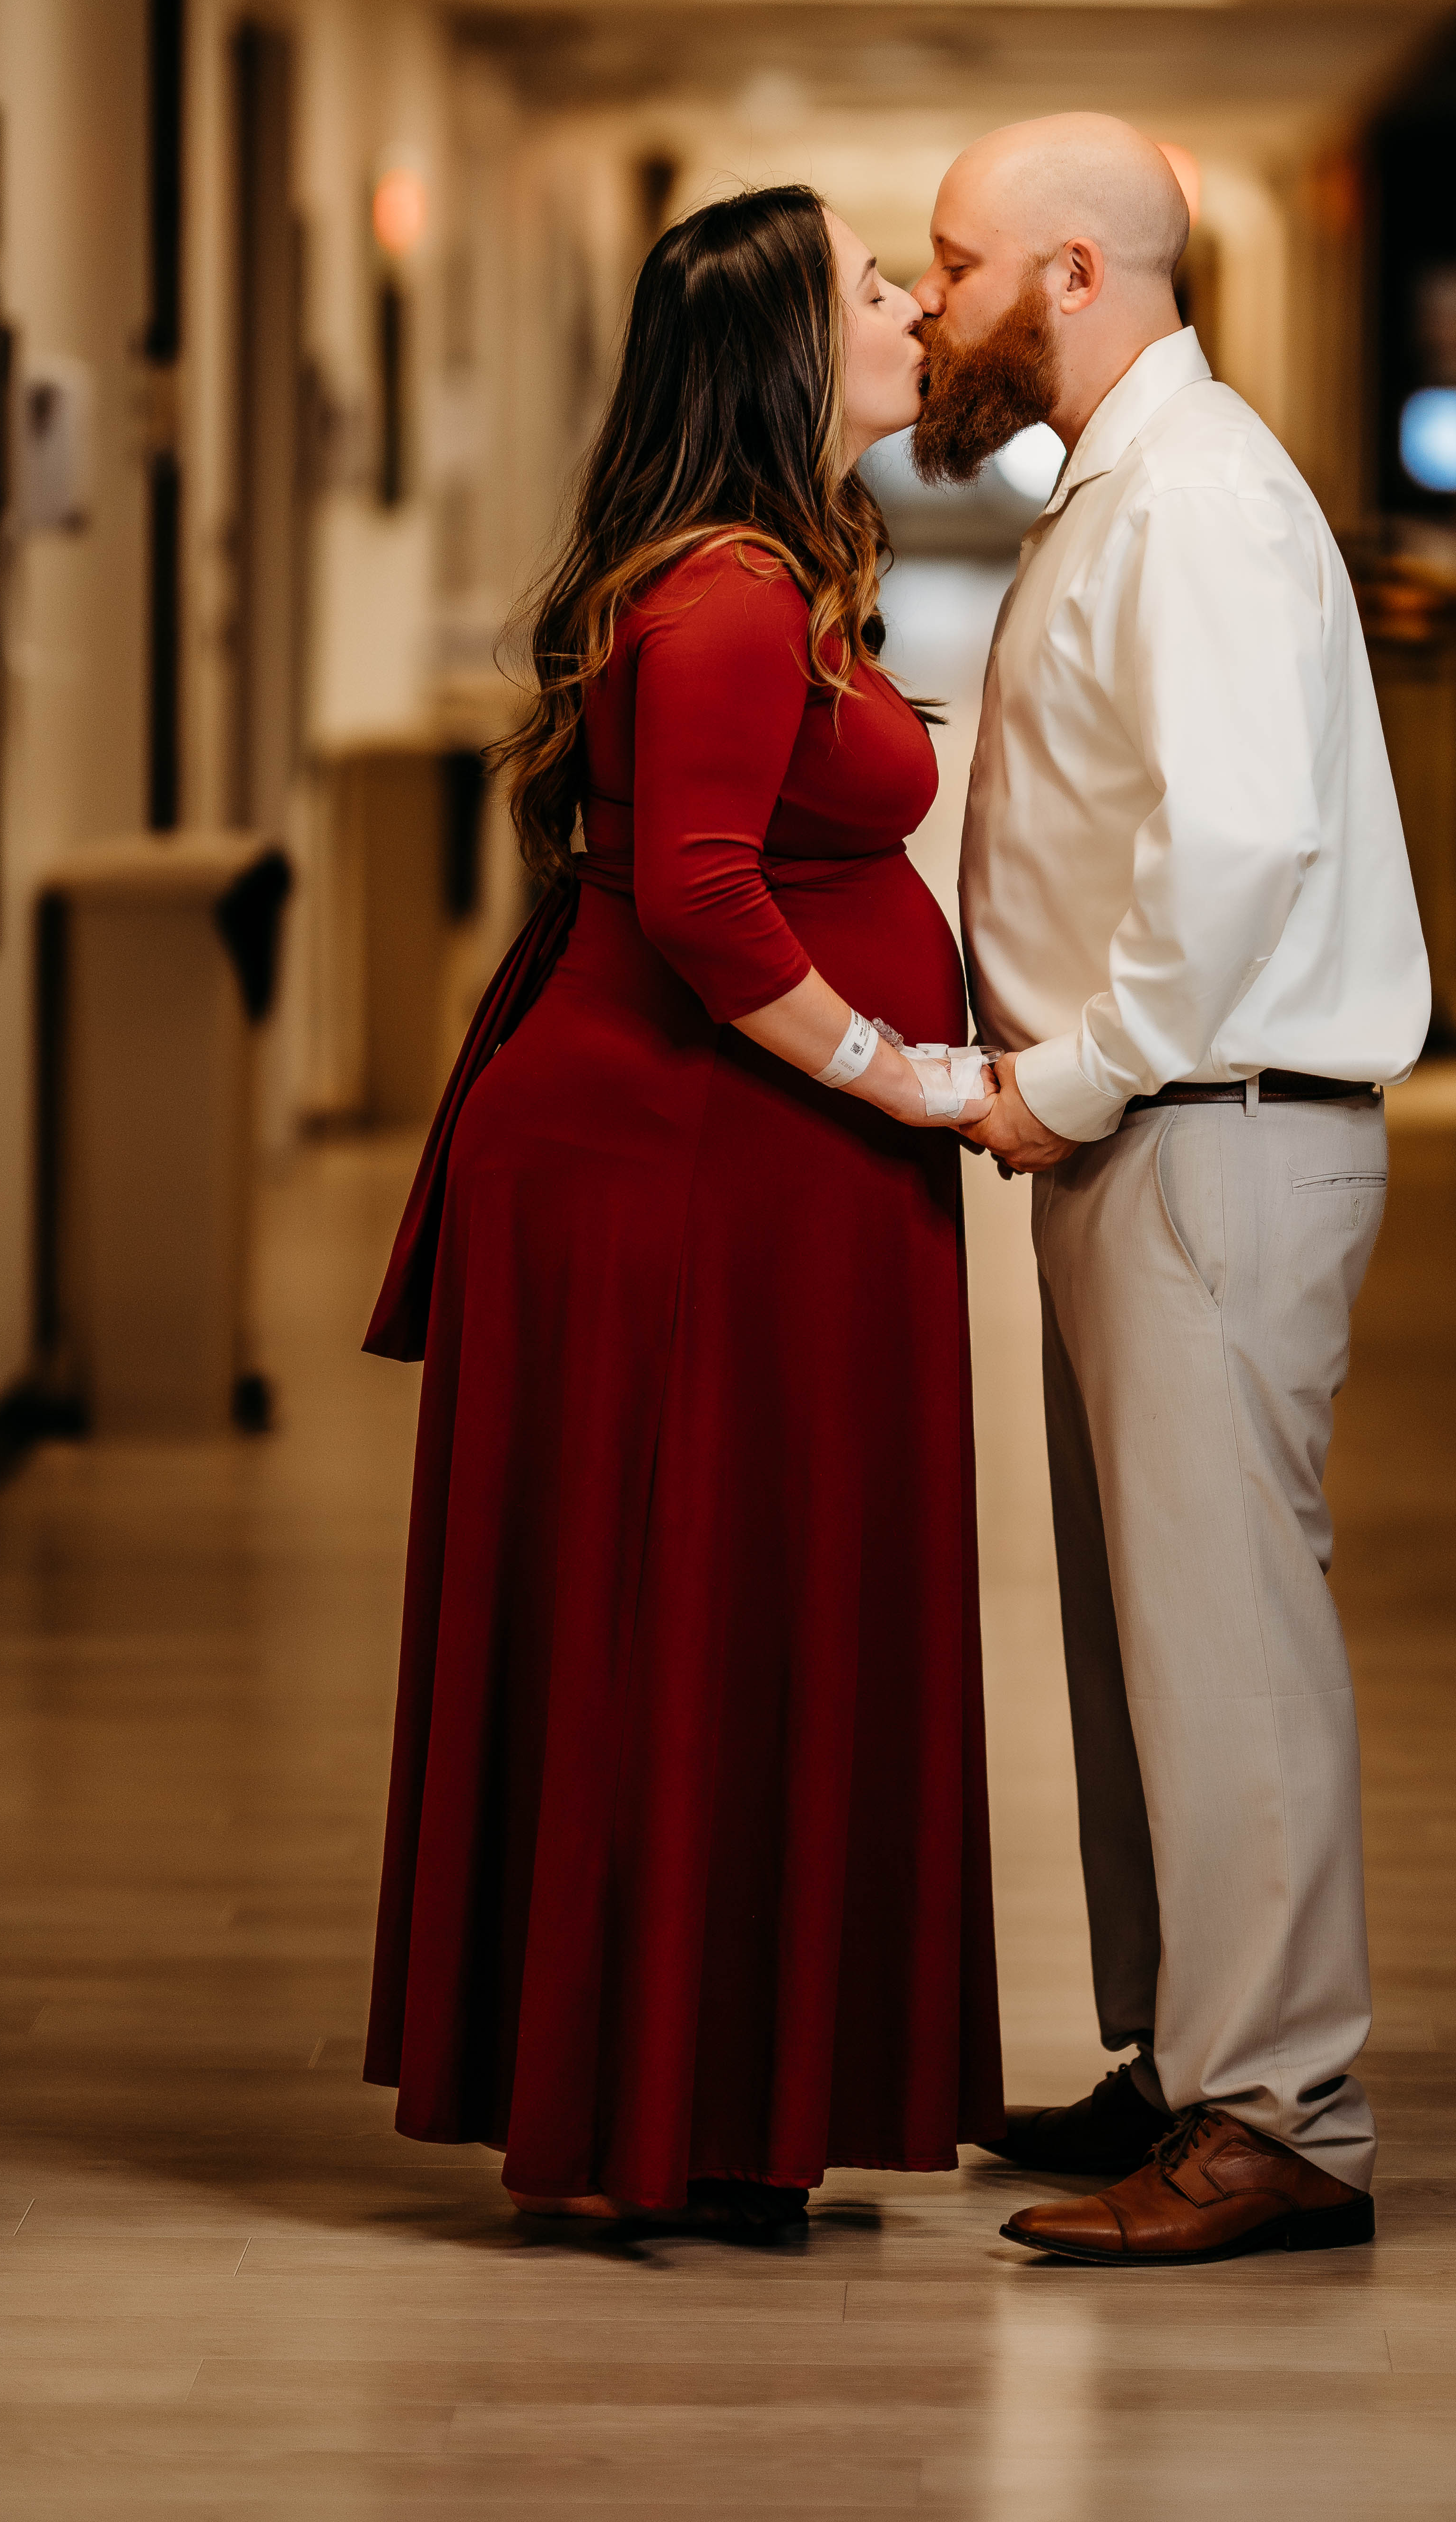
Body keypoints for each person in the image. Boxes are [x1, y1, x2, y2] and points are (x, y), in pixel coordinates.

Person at [362, 183, 1005, 2236]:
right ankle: (666, 2100)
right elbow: (711, 896)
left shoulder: (765, 570)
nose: (915, 306)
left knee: (740, 1609)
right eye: (878, 282)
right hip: (676, 1169)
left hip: (727, 1168)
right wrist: (903, 1073)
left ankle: (717, 2089)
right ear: (792, 347)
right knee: (688, 1604)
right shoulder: (725, 592)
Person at [913, 113, 1430, 2268]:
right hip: (1146, 1124)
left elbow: (1232, 851)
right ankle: (1178, 2051)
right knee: (1148, 1631)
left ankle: (1282, 2104)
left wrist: (1081, 1069)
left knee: (1221, 1636)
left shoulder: (1200, 501)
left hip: (1204, 1115)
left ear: (1065, 275)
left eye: (949, 265)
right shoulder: (1131, 483)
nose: (924, 302)